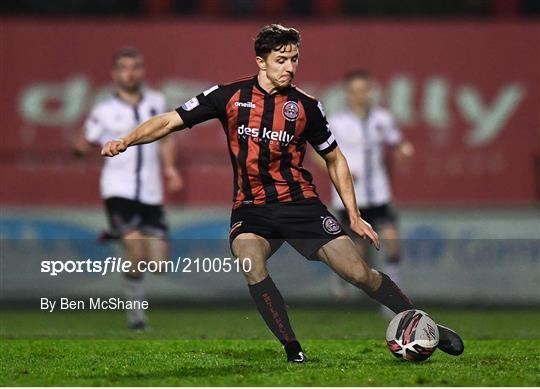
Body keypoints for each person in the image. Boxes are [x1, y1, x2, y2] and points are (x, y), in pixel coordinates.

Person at [100, 25, 463, 362]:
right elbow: (167, 121)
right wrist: (126, 140)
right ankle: (293, 349)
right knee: (250, 261)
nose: (290, 67)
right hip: (251, 209)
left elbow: (334, 159)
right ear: (260, 61)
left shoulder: (306, 106)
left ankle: (424, 323)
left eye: (294, 59)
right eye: (281, 60)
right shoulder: (227, 96)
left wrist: (353, 214)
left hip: (300, 205)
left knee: (360, 274)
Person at [73, 47, 183, 330]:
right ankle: (136, 317)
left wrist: (170, 169)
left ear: (142, 71)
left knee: (158, 263)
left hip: (150, 191)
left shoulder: (157, 102)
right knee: (137, 253)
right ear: (115, 73)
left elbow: (167, 138)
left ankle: (114, 233)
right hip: (117, 190)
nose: (130, 73)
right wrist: (80, 148)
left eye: (135, 67)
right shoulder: (103, 111)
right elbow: (84, 142)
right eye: (124, 67)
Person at [324, 70, 414, 310]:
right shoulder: (337, 123)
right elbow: (317, 153)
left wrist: (404, 150)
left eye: (364, 90)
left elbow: (397, 143)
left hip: (379, 194)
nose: (359, 95)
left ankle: (393, 301)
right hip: (351, 198)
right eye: (354, 91)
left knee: (393, 244)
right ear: (347, 94)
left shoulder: (382, 119)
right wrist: (340, 173)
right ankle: (340, 276)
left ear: (371, 91)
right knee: (356, 253)